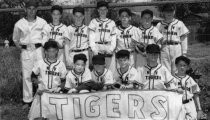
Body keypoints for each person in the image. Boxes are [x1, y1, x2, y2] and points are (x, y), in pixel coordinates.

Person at [12, 1, 47, 108]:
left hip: (39, 50)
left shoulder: (42, 22)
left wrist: (43, 46)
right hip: (26, 51)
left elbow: (46, 35)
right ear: (25, 10)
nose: (31, 11)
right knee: (27, 76)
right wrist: (23, 48)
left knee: (41, 74)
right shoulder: (19, 24)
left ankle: (43, 98)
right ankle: (27, 100)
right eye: (29, 8)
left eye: (34, 8)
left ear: (37, 9)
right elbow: (15, 39)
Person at [28, 40, 67, 120]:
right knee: (39, 116)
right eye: (49, 51)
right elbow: (33, 76)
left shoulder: (61, 64)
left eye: (53, 51)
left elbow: (63, 80)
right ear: (45, 52)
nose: (51, 53)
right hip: (42, 93)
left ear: (57, 51)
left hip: (55, 94)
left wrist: (60, 89)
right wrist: (38, 86)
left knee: (56, 116)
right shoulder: (40, 63)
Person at [156, 4, 189, 74]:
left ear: (174, 12)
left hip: (176, 47)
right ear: (163, 12)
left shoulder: (179, 23)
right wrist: (157, 50)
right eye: (167, 11)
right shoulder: (159, 25)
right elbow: (156, 40)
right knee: (165, 69)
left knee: (176, 68)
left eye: (171, 11)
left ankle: (176, 84)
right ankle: (167, 84)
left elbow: (184, 39)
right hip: (164, 47)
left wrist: (184, 53)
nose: (169, 13)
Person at [89, 1, 117, 73]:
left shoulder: (112, 22)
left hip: (108, 47)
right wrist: (94, 49)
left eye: (104, 9)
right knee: (97, 72)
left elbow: (114, 38)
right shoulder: (93, 22)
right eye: (101, 9)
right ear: (98, 10)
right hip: (97, 47)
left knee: (110, 72)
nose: (103, 11)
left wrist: (111, 49)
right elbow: (91, 37)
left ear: (107, 10)